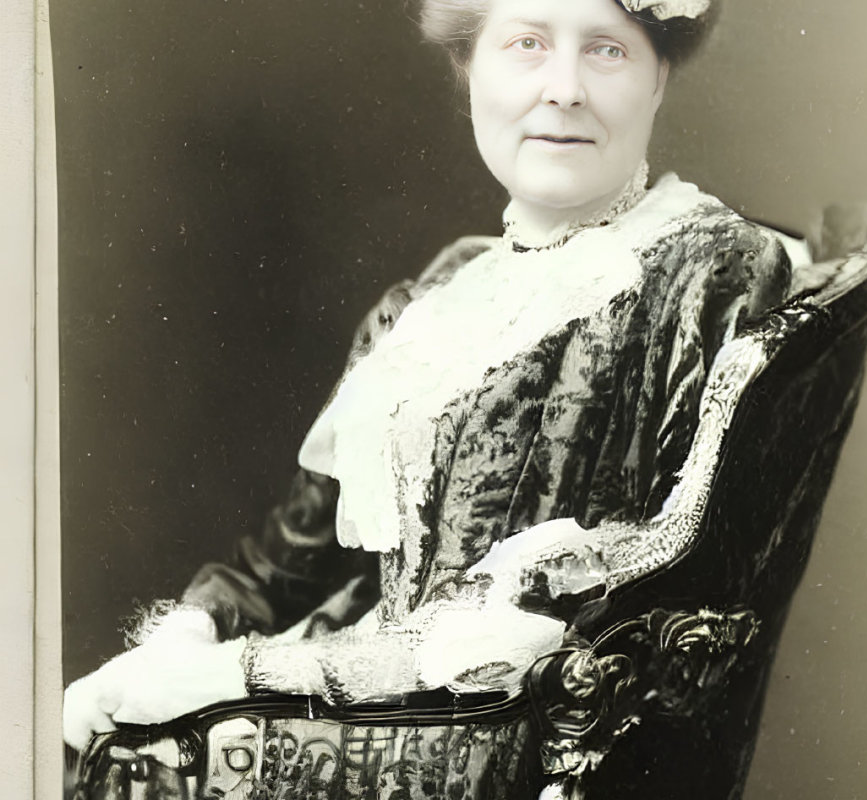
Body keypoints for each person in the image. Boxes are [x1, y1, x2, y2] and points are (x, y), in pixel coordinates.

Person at [64, 0, 798, 759]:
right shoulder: (435, 301)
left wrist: (234, 675)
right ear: (469, 68)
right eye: (526, 45)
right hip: (363, 719)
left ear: (660, 76)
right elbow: (286, 564)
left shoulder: (709, 268)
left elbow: (608, 602)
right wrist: (182, 642)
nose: (565, 89)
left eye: (607, 51)